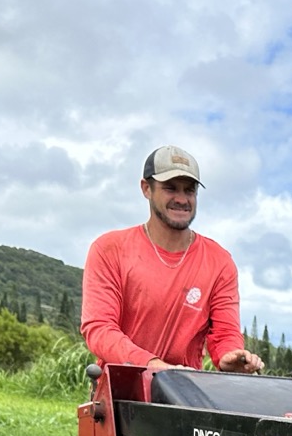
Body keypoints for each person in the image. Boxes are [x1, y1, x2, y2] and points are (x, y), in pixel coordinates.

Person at [81, 145, 264, 374]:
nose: (181, 199)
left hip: (185, 391)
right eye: (170, 188)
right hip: (120, 388)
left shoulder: (220, 262)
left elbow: (225, 333)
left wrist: (230, 354)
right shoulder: (109, 249)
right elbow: (99, 329)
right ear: (146, 188)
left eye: (189, 190)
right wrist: (153, 366)